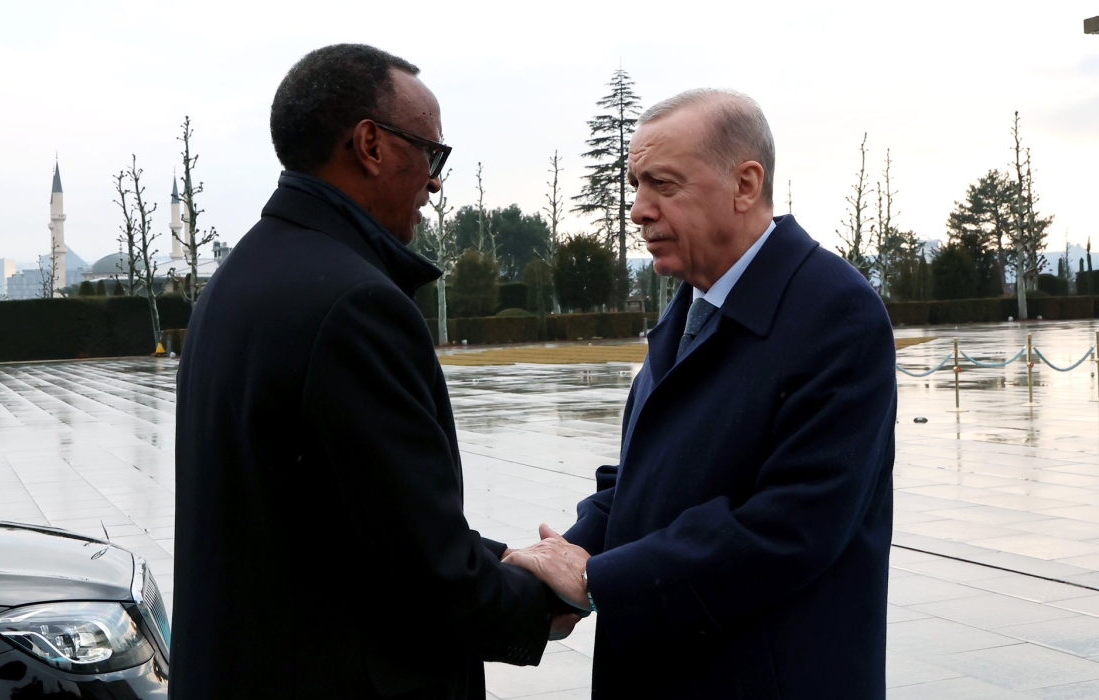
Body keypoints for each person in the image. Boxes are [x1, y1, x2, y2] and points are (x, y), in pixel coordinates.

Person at [171, 44, 575, 700]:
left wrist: (503, 558)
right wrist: (548, 594)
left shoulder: (238, 279)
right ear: (371, 145)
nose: (437, 181)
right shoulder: (353, 305)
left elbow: (347, 522)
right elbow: (426, 572)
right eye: (431, 153)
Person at [505, 89, 896, 699]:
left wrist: (599, 579)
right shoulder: (693, 305)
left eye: (663, 184)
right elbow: (642, 482)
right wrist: (557, 560)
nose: (638, 209)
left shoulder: (833, 311)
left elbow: (792, 526)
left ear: (745, 184)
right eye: (635, 185)